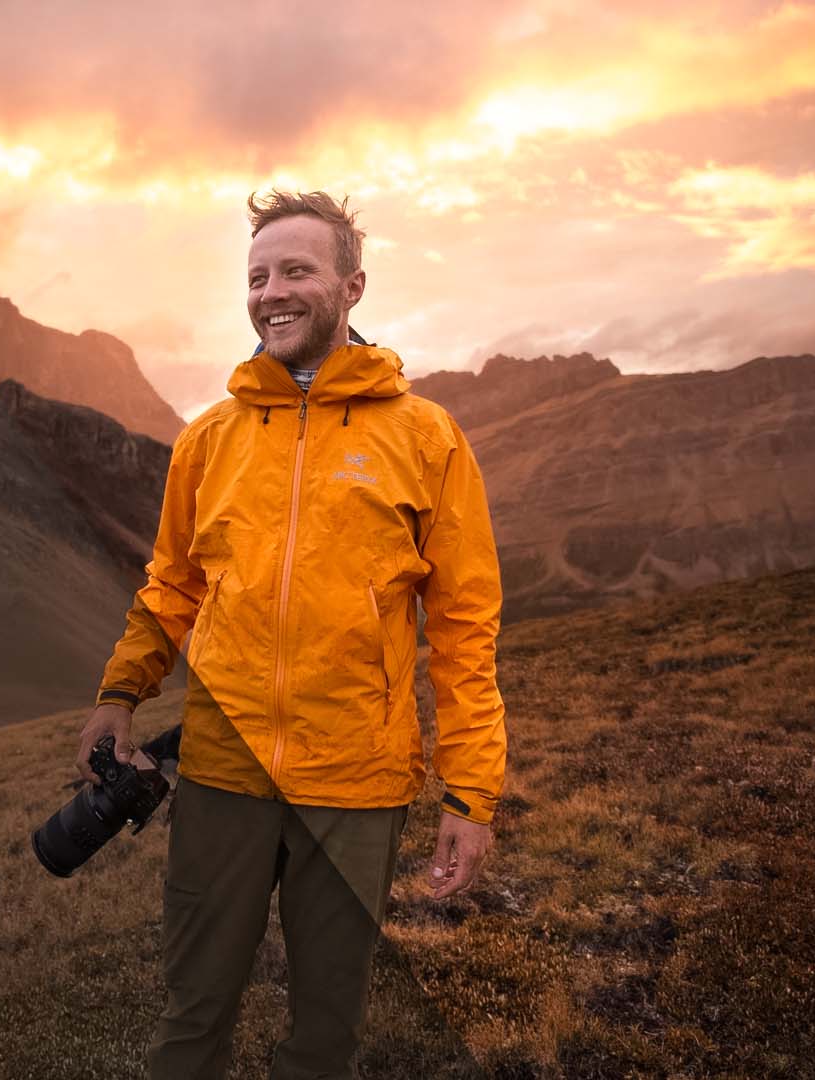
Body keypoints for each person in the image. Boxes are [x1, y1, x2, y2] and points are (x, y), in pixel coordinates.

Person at [77, 189, 508, 1080]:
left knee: (324, 1036)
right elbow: (173, 586)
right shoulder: (210, 439)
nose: (272, 291)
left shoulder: (428, 439)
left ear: (352, 286)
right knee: (192, 1018)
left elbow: (464, 629)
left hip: (355, 785)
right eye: (258, 275)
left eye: (297, 270)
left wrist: (472, 793)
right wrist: (121, 693)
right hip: (224, 771)